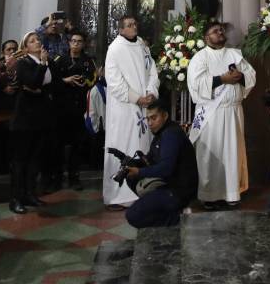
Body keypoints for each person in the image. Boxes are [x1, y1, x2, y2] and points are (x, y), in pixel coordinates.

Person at [186, 22, 256, 209]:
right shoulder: (200, 58)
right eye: (215, 31)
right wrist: (222, 79)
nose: (220, 32)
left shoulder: (235, 55)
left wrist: (240, 77)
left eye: (221, 30)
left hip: (233, 112)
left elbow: (251, 76)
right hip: (211, 114)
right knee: (211, 154)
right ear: (206, 38)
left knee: (233, 152)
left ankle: (232, 193)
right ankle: (210, 195)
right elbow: (196, 84)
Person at [102, 15, 159, 209]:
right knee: (123, 146)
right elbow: (115, 82)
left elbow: (152, 70)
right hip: (125, 109)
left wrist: (151, 91)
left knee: (142, 147)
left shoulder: (142, 45)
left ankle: (141, 188)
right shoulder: (115, 49)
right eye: (129, 25)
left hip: (144, 106)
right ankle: (118, 195)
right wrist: (137, 98)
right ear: (120, 30)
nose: (134, 27)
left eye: (135, 23)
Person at [122, 98, 198, 228]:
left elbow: (165, 169)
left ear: (165, 116)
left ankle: (178, 219)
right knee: (131, 179)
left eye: (154, 118)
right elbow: (150, 159)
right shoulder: (160, 133)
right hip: (168, 184)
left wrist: (139, 171)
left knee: (132, 215)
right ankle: (162, 209)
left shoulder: (171, 134)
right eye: (148, 119)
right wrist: (130, 163)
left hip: (178, 191)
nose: (150, 123)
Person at [9, 30, 52, 214]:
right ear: (26, 47)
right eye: (32, 41)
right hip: (25, 117)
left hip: (41, 116)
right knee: (20, 159)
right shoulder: (23, 63)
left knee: (35, 158)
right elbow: (33, 82)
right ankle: (16, 198)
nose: (37, 42)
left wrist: (40, 89)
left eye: (38, 40)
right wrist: (42, 64)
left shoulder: (46, 62)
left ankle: (30, 193)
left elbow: (49, 84)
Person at [50, 31, 97, 190]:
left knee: (77, 144)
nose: (76, 44)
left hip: (79, 107)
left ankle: (74, 177)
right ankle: (56, 177)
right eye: (73, 41)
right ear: (69, 43)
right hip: (61, 108)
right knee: (57, 144)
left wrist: (83, 81)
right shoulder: (59, 59)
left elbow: (93, 79)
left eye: (79, 41)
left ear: (83, 44)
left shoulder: (88, 61)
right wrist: (66, 80)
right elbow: (51, 80)